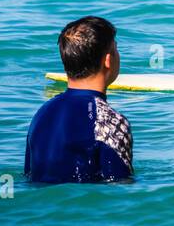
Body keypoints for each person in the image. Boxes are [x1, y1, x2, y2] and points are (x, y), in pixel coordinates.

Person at [24, 16, 133, 183]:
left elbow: (29, 177)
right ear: (108, 60)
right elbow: (119, 188)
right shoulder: (110, 122)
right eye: (116, 49)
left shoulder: (41, 115)